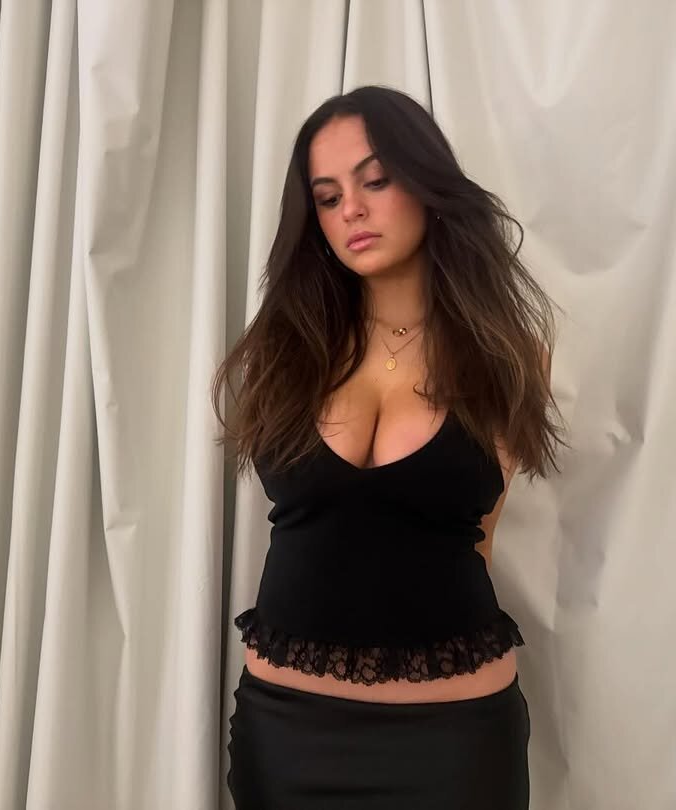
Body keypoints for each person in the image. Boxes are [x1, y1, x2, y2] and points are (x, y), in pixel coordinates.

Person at [211, 85, 567, 810]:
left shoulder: (507, 355)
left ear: (428, 185)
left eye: (375, 181)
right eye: (328, 196)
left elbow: (481, 539)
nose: (352, 210)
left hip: (456, 745)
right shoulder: (286, 350)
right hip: (285, 736)